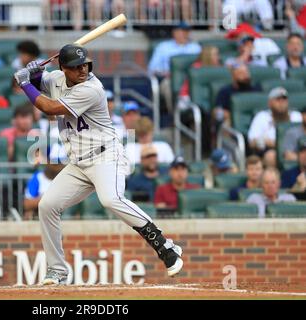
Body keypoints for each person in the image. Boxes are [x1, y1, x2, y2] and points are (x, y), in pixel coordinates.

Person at [14, 43, 183, 285]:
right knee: (47, 205)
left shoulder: (92, 89)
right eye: (76, 66)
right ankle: (58, 270)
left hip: (105, 156)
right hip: (78, 162)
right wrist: (35, 73)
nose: (82, 69)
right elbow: (43, 83)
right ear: (63, 68)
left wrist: (25, 83)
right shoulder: (57, 78)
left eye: (85, 64)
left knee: (111, 199)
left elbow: (48, 106)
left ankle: (165, 246)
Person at [147, 22, 201, 113]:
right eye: (182, 31)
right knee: (169, 86)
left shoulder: (195, 47)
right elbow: (152, 69)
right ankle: (176, 116)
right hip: (168, 79)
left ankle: (197, 115)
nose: (184, 34)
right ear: (174, 33)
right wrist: (165, 72)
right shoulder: (163, 47)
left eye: (186, 32)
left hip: (190, 79)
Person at [248, 87, 301, 167]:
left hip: (297, 151)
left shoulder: (297, 116)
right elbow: (252, 141)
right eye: (278, 99)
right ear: (269, 103)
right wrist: (268, 142)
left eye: (284, 99)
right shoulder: (262, 117)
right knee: (271, 156)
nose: (281, 102)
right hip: (273, 152)